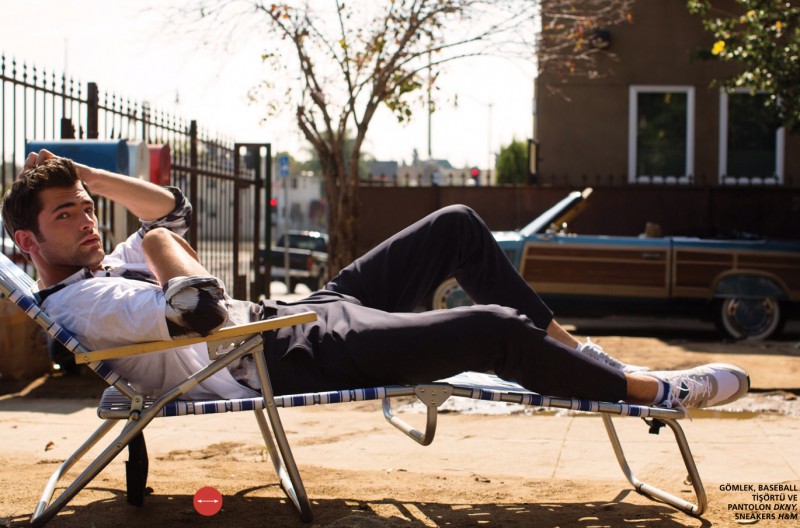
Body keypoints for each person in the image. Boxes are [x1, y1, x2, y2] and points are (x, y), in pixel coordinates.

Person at [2, 150, 749, 411]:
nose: (91, 219)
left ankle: (586, 355)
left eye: (87, 209)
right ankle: (657, 393)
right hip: (282, 357)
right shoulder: (90, 301)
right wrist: (160, 242)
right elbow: (201, 311)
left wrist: (86, 175)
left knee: (455, 222)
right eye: (68, 215)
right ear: (27, 241)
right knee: (487, 329)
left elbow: (174, 206)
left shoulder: (104, 262)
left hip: (298, 318)